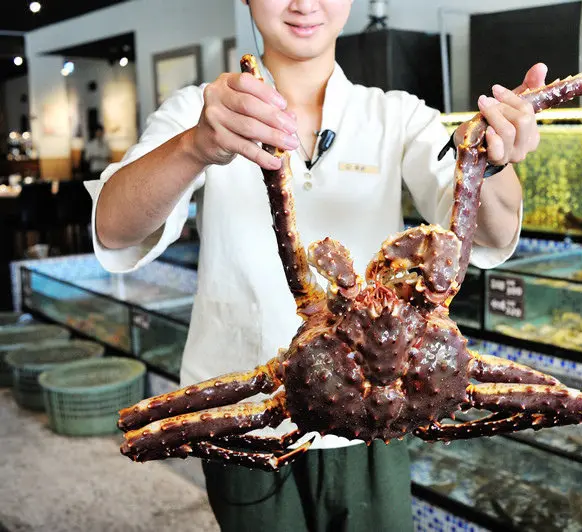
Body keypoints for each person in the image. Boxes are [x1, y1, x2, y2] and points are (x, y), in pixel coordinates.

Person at [85, 1, 546, 530]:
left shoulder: (400, 116)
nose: (305, 3)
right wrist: (195, 145)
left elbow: (490, 232)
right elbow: (114, 229)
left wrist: (494, 159)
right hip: (246, 418)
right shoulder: (199, 111)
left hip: (380, 415)